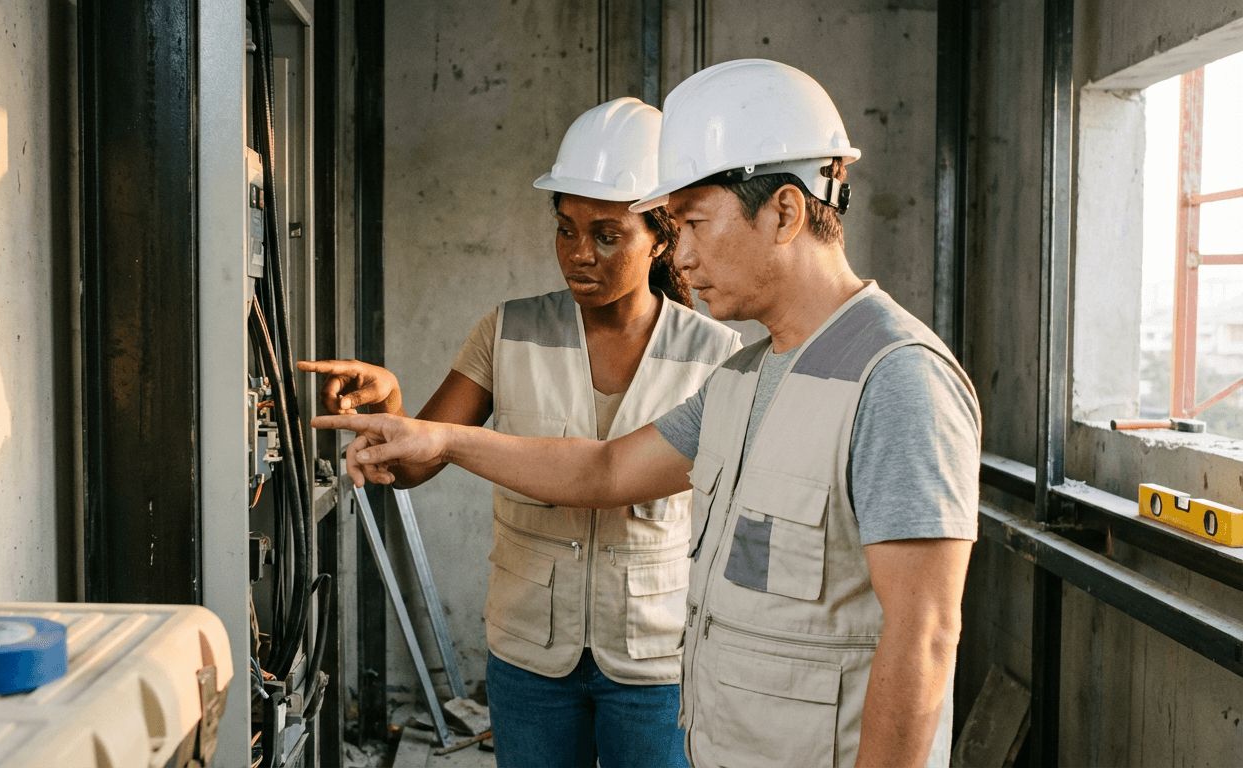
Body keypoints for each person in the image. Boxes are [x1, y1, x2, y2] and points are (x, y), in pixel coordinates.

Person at [314, 59, 981, 768]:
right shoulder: (745, 378)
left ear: (785, 212)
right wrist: (439, 438)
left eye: (692, 222)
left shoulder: (896, 378)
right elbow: (604, 470)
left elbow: (925, 635)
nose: (680, 254)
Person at [298, 97, 740, 768]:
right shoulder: (507, 332)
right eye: (565, 229)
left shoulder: (717, 355)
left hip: (657, 660)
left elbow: (613, 475)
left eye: (607, 234)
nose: (579, 254)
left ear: (662, 235)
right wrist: (390, 405)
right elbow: (416, 463)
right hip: (531, 658)